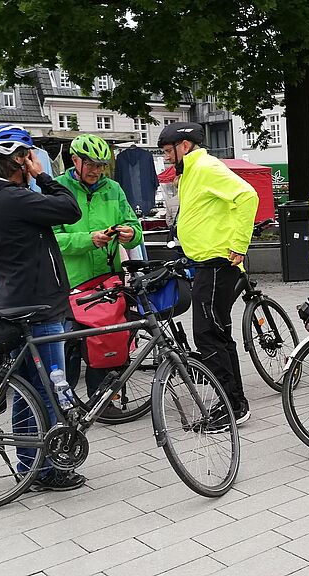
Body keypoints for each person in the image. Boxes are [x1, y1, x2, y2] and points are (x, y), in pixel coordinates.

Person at [0, 124, 84, 491]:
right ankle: (49, 470)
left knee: (28, 391)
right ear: (19, 159)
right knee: (49, 390)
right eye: (29, 156)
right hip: (39, 305)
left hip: (14, 301)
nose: (33, 161)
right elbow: (70, 209)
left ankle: (29, 465)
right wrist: (43, 176)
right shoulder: (13, 199)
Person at [157, 121, 257, 426]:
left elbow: (248, 196)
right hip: (208, 264)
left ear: (184, 146)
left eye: (168, 151)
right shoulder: (190, 172)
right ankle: (235, 403)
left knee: (207, 334)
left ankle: (231, 407)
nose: (166, 157)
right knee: (219, 334)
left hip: (217, 265)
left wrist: (239, 244)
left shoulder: (206, 167)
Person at [53, 134, 142, 417]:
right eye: (90, 164)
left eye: (101, 165)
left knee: (107, 339)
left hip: (107, 278)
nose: (95, 171)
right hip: (73, 281)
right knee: (69, 344)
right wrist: (88, 240)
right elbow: (53, 239)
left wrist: (130, 234)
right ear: (74, 160)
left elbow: (133, 227)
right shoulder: (57, 189)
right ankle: (62, 406)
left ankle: (103, 401)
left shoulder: (113, 188)